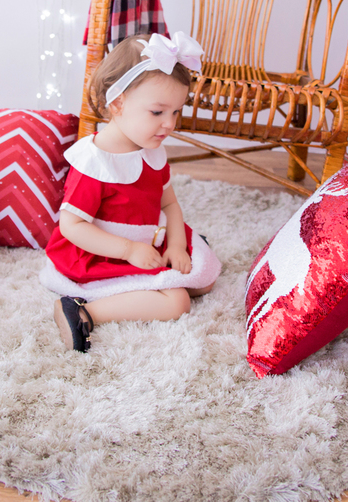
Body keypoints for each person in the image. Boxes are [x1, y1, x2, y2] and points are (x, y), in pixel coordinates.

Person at [42, 32, 220, 352]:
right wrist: (127, 250)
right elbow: (71, 226)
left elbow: (170, 204)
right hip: (100, 252)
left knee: (203, 279)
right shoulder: (96, 163)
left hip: (144, 238)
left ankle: (172, 259)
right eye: (157, 112)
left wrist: (177, 244)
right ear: (118, 103)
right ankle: (82, 312)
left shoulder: (151, 150)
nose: (169, 124)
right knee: (178, 301)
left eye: (176, 112)